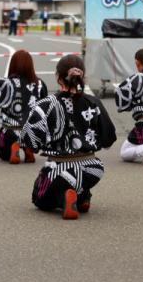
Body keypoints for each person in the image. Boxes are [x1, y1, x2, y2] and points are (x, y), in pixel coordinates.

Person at [21, 55, 117, 220]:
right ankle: (83, 196)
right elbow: (109, 139)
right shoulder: (94, 102)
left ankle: (65, 198)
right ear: (83, 77)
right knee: (81, 176)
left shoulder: (47, 103)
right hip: (93, 168)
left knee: (39, 198)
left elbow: (30, 139)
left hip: (59, 167)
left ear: (58, 78)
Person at [0, 49, 49, 164]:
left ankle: (15, 146)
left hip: (10, 132)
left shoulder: (6, 83)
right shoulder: (39, 84)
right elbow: (45, 107)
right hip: (33, 133)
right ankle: (28, 147)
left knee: (3, 156)